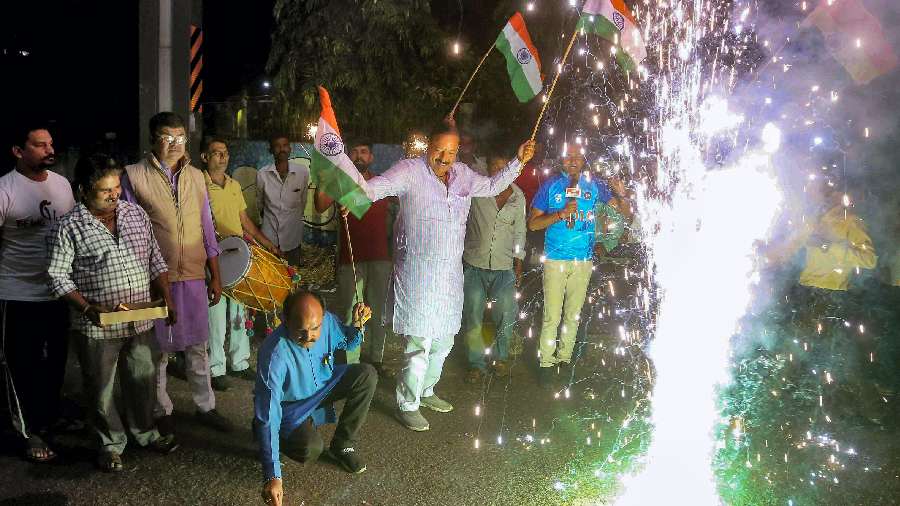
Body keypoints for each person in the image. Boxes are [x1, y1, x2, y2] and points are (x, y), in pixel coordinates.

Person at [355, 120, 535, 431]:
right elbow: (373, 189)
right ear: (429, 147)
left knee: (445, 340)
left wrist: (519, 161)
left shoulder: (464, 175)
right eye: (439, 149)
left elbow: (493, 186)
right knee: (420, 342)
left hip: (450, 275)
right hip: (417, 274)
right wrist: (350, 192)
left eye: (451, 151)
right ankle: (406, 403)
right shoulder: (409, 171)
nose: (444, 157)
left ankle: (426, 391)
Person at [47, 154, 180, 471]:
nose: (114, 194)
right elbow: (57, 276)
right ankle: (109, 445)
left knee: (142, 380)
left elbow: (155, 259)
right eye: (105, 190)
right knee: (101, 388)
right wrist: (87, 307)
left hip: (140, 319)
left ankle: (145, 433)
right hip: (97, 325)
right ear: (83, 190)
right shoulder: (68, 227)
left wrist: (167, 298)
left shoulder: (135, 214)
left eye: (116, 187)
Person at [121, 112, 232, 435]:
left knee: (199, 344)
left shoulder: (196, 176)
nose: (174, 144)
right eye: (167, 137)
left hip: (194, 275)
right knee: (158, 349)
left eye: (180, 137)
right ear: (153, 139)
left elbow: (207, 228)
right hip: (156, 277)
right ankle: (161, 409)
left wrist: (215, 274)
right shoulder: (134, 176)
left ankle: (205, 406)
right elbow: (130, 232)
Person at [256, 291, 375, 506]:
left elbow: (346, 343)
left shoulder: (327, 321)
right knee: (310, 449)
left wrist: (357, 325)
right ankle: (268, 436)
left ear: (322, 317)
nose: (309, 336)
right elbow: (269, 413)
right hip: (291, 407)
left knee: (366, 374)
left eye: (315, 328)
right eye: (300, 330)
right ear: (285, 320)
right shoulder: (274, 355)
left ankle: (343, 445)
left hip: (323, 386)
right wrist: (272, 475)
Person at [0, 124, 75, 462]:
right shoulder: (5, 189)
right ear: (19, 150)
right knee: (22, 365)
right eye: (39, 144)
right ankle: (27, 431)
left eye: (50, 143)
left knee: (55, 362)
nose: (49, 149)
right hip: (17, 294)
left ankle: (48, 420)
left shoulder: (61, 185)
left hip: (58, 293)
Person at [528, 142, 612, 387]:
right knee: (552, 315)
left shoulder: (594, 185)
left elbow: (614, 208)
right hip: (555, 260)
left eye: (577, 156)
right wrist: (560, 214)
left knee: (573, 315)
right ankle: (546, 362)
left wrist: (619, 197)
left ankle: (565, 360)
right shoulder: (550, 186)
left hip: (583, 261)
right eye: (568, 157)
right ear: (561, 160)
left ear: (584, 160)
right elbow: (533, 224)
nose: (573, 160)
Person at [202, 138, 281, 392]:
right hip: (212, 256)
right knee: (215, 315)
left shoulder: (234, 185)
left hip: (237, 256)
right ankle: (215, 368)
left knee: (239, 311)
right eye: (216, 153)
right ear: (205, 157)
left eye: (225, 153)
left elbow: (244, 219)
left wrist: (265, 243)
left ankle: (239, 361)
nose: (223, 157)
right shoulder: (198, 185)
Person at [314, 140, 395, 377]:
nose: (359, 156)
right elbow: (319, 206)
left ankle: (376, 359)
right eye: (354, 152)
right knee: (350, 312)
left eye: (364, 152)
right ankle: (350, 363)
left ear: (371, 157)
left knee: (378, 312)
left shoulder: (382, 183)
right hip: (350, 259)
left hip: (380, 257)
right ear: (348, 157)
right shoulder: (341, 183)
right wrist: (324, 178)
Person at [461, 154, 526, 384]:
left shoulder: (518, 196)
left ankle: (501, 358)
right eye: (494, 166)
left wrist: (518, 263)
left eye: (503, 166)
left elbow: (519, 232)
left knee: (506, 314)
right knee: (473, 315)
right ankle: (476, 364)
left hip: (504, 267)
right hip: (474, 265)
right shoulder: (478, 191)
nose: (499, 171)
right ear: (487, 169)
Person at [257, 134, 310, 267]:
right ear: (271, 150)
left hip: (293, 237)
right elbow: (259, 204)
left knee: (293, 277)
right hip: (269, 238)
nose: (282, 149)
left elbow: (303, 201)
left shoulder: (302, 172)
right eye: (277, 146)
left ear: (290, 149)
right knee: (271, 277)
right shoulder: (262, 174)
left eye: (285, 145)